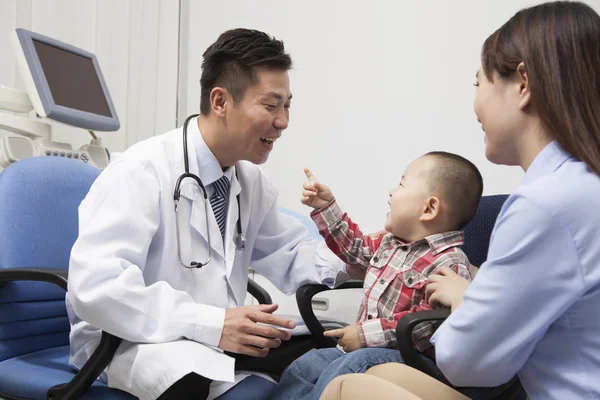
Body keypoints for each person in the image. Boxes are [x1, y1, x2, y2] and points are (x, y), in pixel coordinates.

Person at [320, 1, 600, 399]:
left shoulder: (544, 204)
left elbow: (467, 363)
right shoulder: (581, 185)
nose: (475, 104)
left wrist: (467, 298)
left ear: (523, 85)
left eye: (478, 83)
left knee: (346, 389)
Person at [65, 28, 353, 400]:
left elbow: (293, 255)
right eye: (271, 105)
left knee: (326, 352)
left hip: (214, 338)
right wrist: (210, 322)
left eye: (287, 106)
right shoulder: (142, 171)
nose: (283, 121)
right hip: (131, 339)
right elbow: (97, 289)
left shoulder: (250, 182)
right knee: (192, 378)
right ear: (220, 101)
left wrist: (359, 258)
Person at [270, 151, 484, 400]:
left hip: (415, 361)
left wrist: (364, 335)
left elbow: (427, 325)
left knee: (351, 367)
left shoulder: (450, 262)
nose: (392, 192)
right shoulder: (389, 243)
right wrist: (326, 207)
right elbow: (354, 248)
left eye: (402, 184)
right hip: (365, 348)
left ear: (429, 208)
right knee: (306, 365)